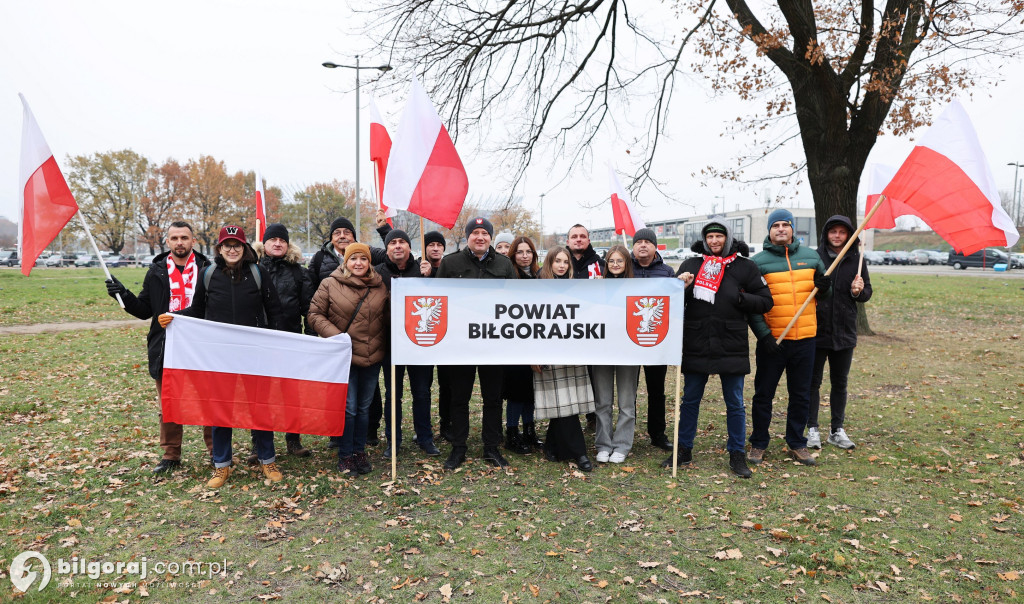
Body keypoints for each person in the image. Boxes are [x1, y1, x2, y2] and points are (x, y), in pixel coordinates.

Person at [159, 225, 285, 488]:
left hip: (254, 356)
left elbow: (275, 312)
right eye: (227, 244)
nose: (232, 249)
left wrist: (275, 345)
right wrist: (175, 317)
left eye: (237, 244)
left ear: (245, 247)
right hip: (219, 357)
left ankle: (267, 459)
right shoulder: (209, 274)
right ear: (219, 248)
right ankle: (221, 465)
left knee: (259, 408)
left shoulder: (258, 273)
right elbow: (198, 310)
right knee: (220, 411)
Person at [666, 219, 774, 478]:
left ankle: (737, 454)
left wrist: (740, 298)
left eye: (719, 236)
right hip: (696, 341)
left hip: (731, 342)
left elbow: (766, 300)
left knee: (735, 402)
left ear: (728, 238)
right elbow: (669, 300)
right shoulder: (691, 264)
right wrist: (680, 286)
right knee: (690, 400)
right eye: (710, 237)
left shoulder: (745, 266)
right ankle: (683, 450)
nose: (715, 241)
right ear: (705, 240)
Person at [104, 221, 213, 474]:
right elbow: (144, 310)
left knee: (208, 401)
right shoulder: (156, 271)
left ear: (193, 241)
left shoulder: (207, 269)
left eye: (184, 237)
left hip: (202, 345)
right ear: (168, 241)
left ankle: (215, 451)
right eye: (174, 238)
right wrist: (122, 295)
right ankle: (171, 455)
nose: (179, 243)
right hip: (166, 345)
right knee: (169, 402)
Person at [748, 209, 832, 467]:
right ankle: (759, 443)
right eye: (777, 225)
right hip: (774, 342)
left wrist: (825, 287)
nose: (781, 229)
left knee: (801, 395)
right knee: (764, 394)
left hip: (805, 339)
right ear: (770, 231)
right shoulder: (758, 262)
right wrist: (764, 337)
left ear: (793, 229)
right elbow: (752, 305)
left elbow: (822, 297)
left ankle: (797, 442)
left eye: (786, 224)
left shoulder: (812, 257)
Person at [435, 217, 517, 470]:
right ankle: (458, 447)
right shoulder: (450, 263)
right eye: (475, 233)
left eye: (485, 233)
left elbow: (515, 302)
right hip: (460, 344)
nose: (480, 237)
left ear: (491, 238)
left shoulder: (504, 265)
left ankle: (491, 447)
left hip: (493, 344)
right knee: (459, 398)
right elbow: (439, 301)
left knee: (493, 398)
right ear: (468, 236)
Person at [307, 242, 389, 476]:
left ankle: (359, 452)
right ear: (346, 261)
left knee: (364, 408)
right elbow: (314, 314)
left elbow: (387, 317)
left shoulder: (379, 285)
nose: (358, 263)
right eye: (354, 259)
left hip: (372, 357)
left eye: (363, 259)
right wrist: (339, 338)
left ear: (369, 262)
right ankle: (345, 455)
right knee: (349, 408)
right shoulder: (330, 284)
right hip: (345, 357)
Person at [251, 223, 315, 461]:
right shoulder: (253, 269)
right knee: (260, 394)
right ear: (264, 243)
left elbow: (308, 308)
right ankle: (258, 444)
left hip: (290, 341)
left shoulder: (299, 272)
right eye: (273, 240)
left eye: (282, 240)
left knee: (291, 393)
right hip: (259, 341)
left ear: (288, 245)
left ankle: (293, 439)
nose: (277, 243)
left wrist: (310, 340)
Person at [808, 215, 872, 450]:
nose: (837, 236)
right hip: (817, 330)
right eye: (832, 231)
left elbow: (866, 293)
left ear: (849, 235)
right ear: (826, 234)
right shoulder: (815, 258)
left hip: (844, 332)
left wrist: (858, 291)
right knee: (812, 383)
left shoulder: (856, 260)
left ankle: (837, 430)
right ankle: (812, 429)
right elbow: (807, 290)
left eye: (842, 232)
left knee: (840, 383)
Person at [374, 229, 440, 457]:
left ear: (410, 247)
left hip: (418, 344)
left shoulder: (422, 270)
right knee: (393, 394)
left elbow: (440, 296)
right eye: (393, 242)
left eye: (402, 241)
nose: (398, 246)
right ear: (387, 248)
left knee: (422, 392)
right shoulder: (377, 273)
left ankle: (425, 438)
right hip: (391, 343)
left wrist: (433, 275)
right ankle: (393, 440)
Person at [532, 246, 595, 472]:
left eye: (565, 262)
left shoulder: (577, 288)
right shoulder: (537, 289)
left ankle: (552, 446)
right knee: (563, 402)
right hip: (548, 352)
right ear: (549, 263)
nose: (562, 265)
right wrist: (533, 355)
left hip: (573, 351)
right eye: (557, 261)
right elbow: (530, 326)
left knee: (568, 402)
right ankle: (579, 452)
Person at [590, 245, 639, 464]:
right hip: (602, 350)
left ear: (627, 263)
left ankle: (622, 444)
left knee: (627, 403)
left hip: (628, 350)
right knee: (602, 402)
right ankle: (603, 444)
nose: (616, 265)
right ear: (606, 264)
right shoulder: (598, 286)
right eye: (611, 261)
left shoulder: (637, 287)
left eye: (620, 261)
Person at [630, 227, 676, 452]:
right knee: (628, 390)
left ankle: (657, 433)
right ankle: (627, 432)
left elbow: (675, 305)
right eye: (639, 241)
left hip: (657, 341)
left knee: (656, 390)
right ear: (633, 246)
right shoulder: (624, 269)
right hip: (627, 340)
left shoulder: (667, 272)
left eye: (648, 242)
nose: (643, 245)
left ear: (655, 247)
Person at [502, 235, 542, 454]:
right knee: (516, 391)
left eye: (528, 252)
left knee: (530, 391)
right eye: (520, 252)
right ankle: (512, 433)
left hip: (536, 342)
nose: (524, 256)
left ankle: (529, 431)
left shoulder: (540, 276)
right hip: (514, 344)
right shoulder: (509, 278)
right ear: (513, 255)